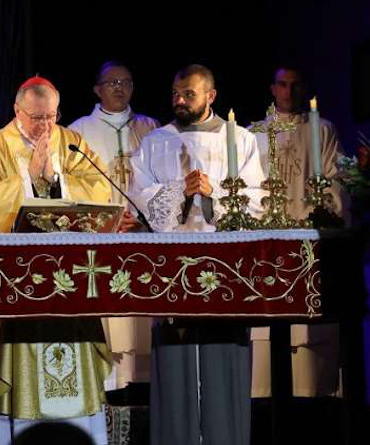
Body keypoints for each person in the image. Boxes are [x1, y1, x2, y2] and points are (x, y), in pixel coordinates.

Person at [0, 75, 112, 445]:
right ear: (17, 111)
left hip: (69, 280)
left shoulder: (73, 142)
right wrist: (27, 179)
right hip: (17, 282)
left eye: (51, 116)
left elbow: (100, 188)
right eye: (36, 117)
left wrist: (57, 178)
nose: (46, 125)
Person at [130, 64, 266, 445]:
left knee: (224, 351)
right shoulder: (156, 142)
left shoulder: (240, 140)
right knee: (175, 357)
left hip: (225, 265)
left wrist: (214, 194)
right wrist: (180, 191)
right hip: (171, 265)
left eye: (188, 94)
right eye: (175, 93)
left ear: (211, 95)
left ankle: (228, 435)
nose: (179, 100)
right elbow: (140, 198)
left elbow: (256, 201)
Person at [247, 66, 345, 399]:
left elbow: (335, 180)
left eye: (296, 84)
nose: (289, 91)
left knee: (310, 347)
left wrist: (316, 215)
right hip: (268, 245)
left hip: (309, 242)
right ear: (272, 89)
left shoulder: (322, 130)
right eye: (283, 85)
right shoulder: (253, 134)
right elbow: (243, 186)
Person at [68, 61, 159, 402]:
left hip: (143, 236)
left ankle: (146, 389)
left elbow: (164, 182)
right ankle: (111, 389)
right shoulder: (78, 132)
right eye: (111, 82)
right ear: (97, 89)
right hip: (102, 241)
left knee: (143, 321)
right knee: (111, 320)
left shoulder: (151, 128)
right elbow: (72, 188)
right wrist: (105, 219)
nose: (119, 88)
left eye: (126, 82)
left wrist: (145, 217)